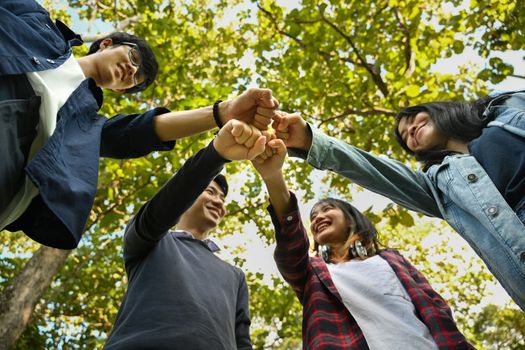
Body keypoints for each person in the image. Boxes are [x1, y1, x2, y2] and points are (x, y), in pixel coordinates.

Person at [0, 0, 277, 249]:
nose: (132, 71)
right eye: (133, 58)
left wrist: (223, 112)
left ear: (120, 90)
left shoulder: (87, 125)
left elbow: (140, 131)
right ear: (107, 43)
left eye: (135, 80)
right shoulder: (37, 24)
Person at [271, 91, 525, 311]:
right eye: (406, 138)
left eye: (414, 119)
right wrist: (309, 140)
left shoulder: (505, 108)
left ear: (437, 109)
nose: (411, 130)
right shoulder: (438, 187)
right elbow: (376, 171)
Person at [251, 138, 473, 349]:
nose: (317, 217)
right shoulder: (313, 273)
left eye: (327, 209)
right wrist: (273, 176)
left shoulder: (391, 259)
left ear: (350, 217)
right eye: (313, 216)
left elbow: (436, 306)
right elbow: (290, 241)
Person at [104, 119, 267, 349]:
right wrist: (216, 154)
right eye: (210, 191)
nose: (217, 201)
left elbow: (242, 341)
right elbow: (160, 211)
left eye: (222, 198)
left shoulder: (235, 276)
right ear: (190, 196)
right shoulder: (152, 240)